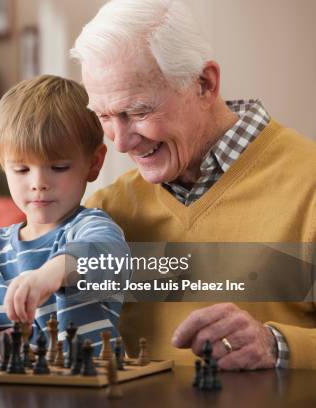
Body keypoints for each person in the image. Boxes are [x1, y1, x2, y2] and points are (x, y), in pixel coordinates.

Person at [71, 0, 316, 370]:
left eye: (137, 112)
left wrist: (277, 345)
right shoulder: (106, 212)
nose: (119, 142)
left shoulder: (309, 184)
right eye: (105, 116)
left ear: (204, 84)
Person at [0, 75, 131, 366]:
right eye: (21, 169)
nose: (39, 183)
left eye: (58, 167)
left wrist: (51, 275)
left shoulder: (91, 228)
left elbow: (108, 254)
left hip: (88, 391)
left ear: (93, 164)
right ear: (3, 166)